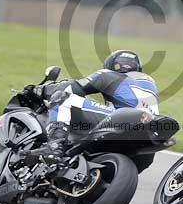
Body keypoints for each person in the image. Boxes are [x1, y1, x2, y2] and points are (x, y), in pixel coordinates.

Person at [30, 49, 159, 159]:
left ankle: (54, 145)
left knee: (62, 98)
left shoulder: (108, 74)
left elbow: (73, 87)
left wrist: (41, 89)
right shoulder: (149, 83)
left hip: (125, 119)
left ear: (112, 65)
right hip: (148, 135)